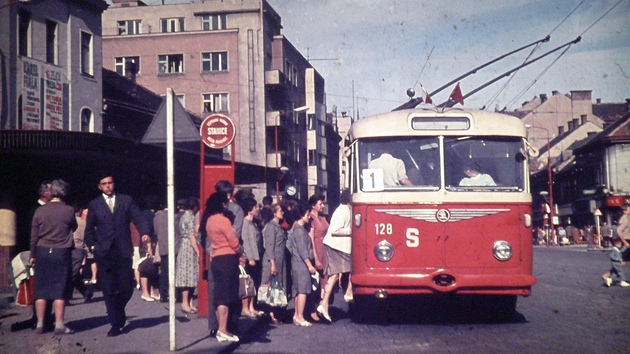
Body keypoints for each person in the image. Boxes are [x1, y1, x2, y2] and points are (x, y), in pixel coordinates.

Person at [84, 173, 150, 337]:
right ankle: (115, 323)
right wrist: (93, 247)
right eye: (104, 183)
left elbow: (139, 218)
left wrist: (145, 233)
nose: (107, 186)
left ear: (114, 184)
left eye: (110, 183)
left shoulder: (126, 200)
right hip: (104, 252)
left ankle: (117, 311)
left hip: (122, 250)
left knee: (126, 287)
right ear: (99, 186)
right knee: (108, 288)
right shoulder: (95, 204)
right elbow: (89, 230)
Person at [29, 179, 78, 335]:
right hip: (61, 252)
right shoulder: (69, 210)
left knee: (41, 289)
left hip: (42, 251)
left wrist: (32, 255)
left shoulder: (39, 211)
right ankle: (59, 324)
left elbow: (34, 236)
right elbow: (74, 226)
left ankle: (40, 324)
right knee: (60, 289)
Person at [205, 192, 243, 342]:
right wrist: (241, 251)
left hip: (216, 258)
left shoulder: (209, 221)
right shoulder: (224, 221)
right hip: (228, 258)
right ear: (222, 204)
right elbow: (233, 242)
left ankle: (220, 329)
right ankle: (223, 329)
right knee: (226, 297)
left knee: (220, 295)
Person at [318, 189, 353, 322]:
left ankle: (324, 305)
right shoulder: (343, 211)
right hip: (335, 247)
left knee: (334, 276)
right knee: (350, 268)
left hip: (339, 247)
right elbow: (335, 230)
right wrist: (353, 230)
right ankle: (348, 292)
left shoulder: (345, 210)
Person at [286, 204, 316, 327]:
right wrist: (310, 265)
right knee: (303, 290)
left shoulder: (297, 229)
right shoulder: (299, 230)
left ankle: (297, 315)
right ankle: (300, 316)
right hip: (301, 264)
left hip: (296, 262)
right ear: (302, 214)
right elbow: (303, 250)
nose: (309, 216)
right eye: (308, 213)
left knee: (298, 290)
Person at [261, 203, 287, 325]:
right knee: (271, 286)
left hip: (279, 259)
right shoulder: (271, 227)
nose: (283, 212)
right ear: (274, 213)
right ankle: (271, 314)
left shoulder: (278, 226)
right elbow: (269, 246)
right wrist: (272, 263)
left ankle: (275, 311)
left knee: (277, 286)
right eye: (281, 210)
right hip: (273, 259)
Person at [239, 197, 264, 317]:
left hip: (257, 255)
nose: (257, 209)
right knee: (247, 282)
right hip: (251, 258)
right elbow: (246, 241)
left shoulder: (253, 223)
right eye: (255, 207)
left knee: (254, 282)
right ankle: (245, 308)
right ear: (250, 210)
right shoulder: (245, 223)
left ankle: (251, 306)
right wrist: (250, 257)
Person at [175, 197, 200, 314]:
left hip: (183, 245)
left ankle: (189, 303)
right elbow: (191, 236)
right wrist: (198, 251)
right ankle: (185, 303)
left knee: (189, 276)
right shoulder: (190, 217)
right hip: (188, 247)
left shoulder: (183, 216)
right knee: (187, 276)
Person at [308, 194, 329, 321]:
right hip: (317, 249)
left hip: (325, 250)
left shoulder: (323, 217)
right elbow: (311, 240)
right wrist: (316, 258)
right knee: (314, 282)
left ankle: (323, 306)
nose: (322, 206)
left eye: (323, 204)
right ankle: (312, 310)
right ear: (313, 205)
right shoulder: (311, 218)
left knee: (324, 281)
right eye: (320, 204)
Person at [70, 204, 93, 303]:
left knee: (70, 274)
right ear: (80, 211)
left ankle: (65, 296)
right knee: (74, 274)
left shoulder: (67, 221)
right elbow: (87, 238)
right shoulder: (84, 223)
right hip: (79, 249)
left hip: (67, 249)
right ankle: (86, 291)